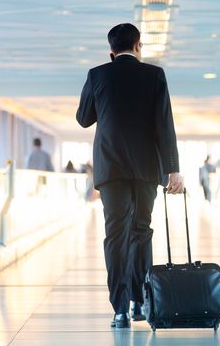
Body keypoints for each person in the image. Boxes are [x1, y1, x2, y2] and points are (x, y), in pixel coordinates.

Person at [76, 23, 184, 329]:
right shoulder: (154, 75)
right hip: (147, 168)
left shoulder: (98, 74)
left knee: (116, 235)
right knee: (141, 230)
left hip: (110, 169)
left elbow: (84, 119)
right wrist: (173, 168)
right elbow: (165, 124)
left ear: (111, 52)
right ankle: (140, 300)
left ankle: (120, 309)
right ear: (139, 47)